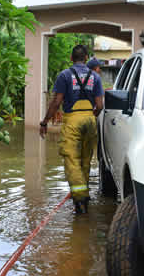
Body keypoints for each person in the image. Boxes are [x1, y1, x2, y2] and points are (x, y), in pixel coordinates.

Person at [39, 43, 104, 215]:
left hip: (72, 121)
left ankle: (80, 199)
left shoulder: (65, 75)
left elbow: (56, 102)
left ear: (71, 58)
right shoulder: (95, 77)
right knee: (85, 160)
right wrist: (90, 116)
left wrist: (45, 122)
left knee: (71, 160)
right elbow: (100, 105)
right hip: (90, 119)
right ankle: (85, 196)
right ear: (86, 58)